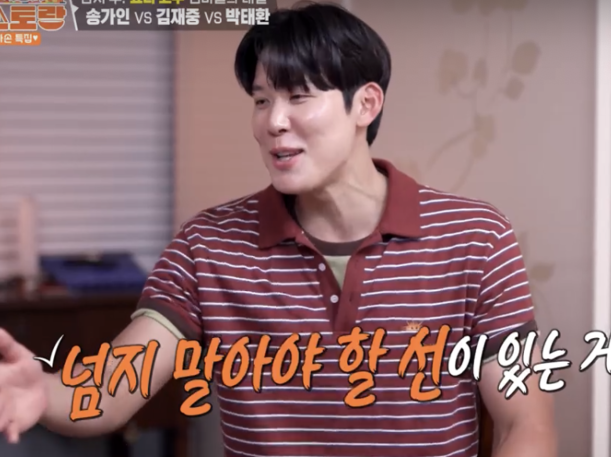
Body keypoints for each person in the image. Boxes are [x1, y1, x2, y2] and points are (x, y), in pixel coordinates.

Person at [0, 2, 557, 456]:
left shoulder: (476, 236)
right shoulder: (207, 245)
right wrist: (42, 393)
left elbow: (524, 424)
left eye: (298, 96)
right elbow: (109, 390)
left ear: (365, 104)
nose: (273, 121)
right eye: (262, 99)